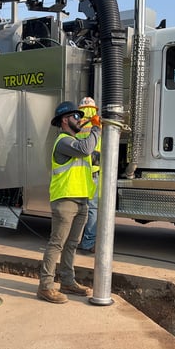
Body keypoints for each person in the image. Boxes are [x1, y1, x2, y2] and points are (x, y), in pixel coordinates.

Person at [37, 100, 101, 304]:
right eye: (76, 116)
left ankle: (67, 281)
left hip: (81, 199)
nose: (80, 120)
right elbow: (84, 149)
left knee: (72, 244)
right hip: (65, 200)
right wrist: (97, 128)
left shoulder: (75, 141)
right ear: (65, 120)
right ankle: (45, 287)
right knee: (57, 243)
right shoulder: (63, 141)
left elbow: (89, 157)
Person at [76, 97, 101, 253]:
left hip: (78, 172)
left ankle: (73, 241)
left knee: (78, 209)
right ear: (94, 109)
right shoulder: (96, 125)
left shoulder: (77, 126)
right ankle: (88, 242)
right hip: (92, 172)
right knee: (93, 209)